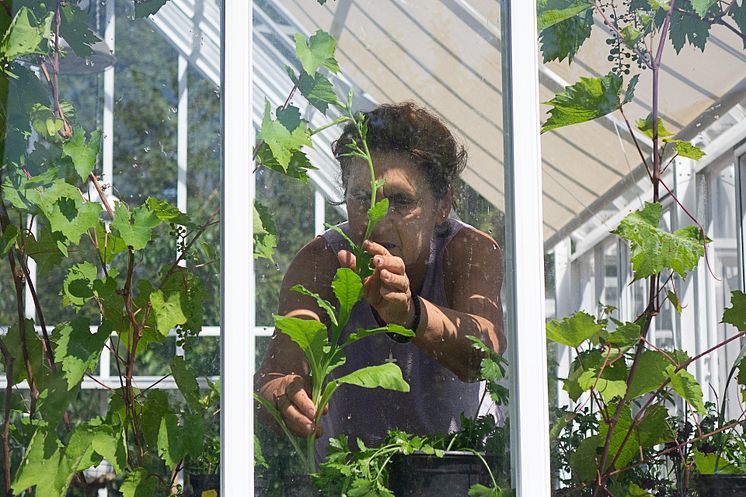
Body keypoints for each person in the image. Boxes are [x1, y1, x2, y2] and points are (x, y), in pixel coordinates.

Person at [255, 102, 505, 452]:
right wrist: (282, 395)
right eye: (362, 198)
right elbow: (274, 376)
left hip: (458, 473)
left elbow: (485, 355)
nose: (379, 220)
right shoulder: (321, 260)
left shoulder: (469, 251)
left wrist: (411, 314)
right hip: (352, 479)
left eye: (402, 201)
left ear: (443, 205)